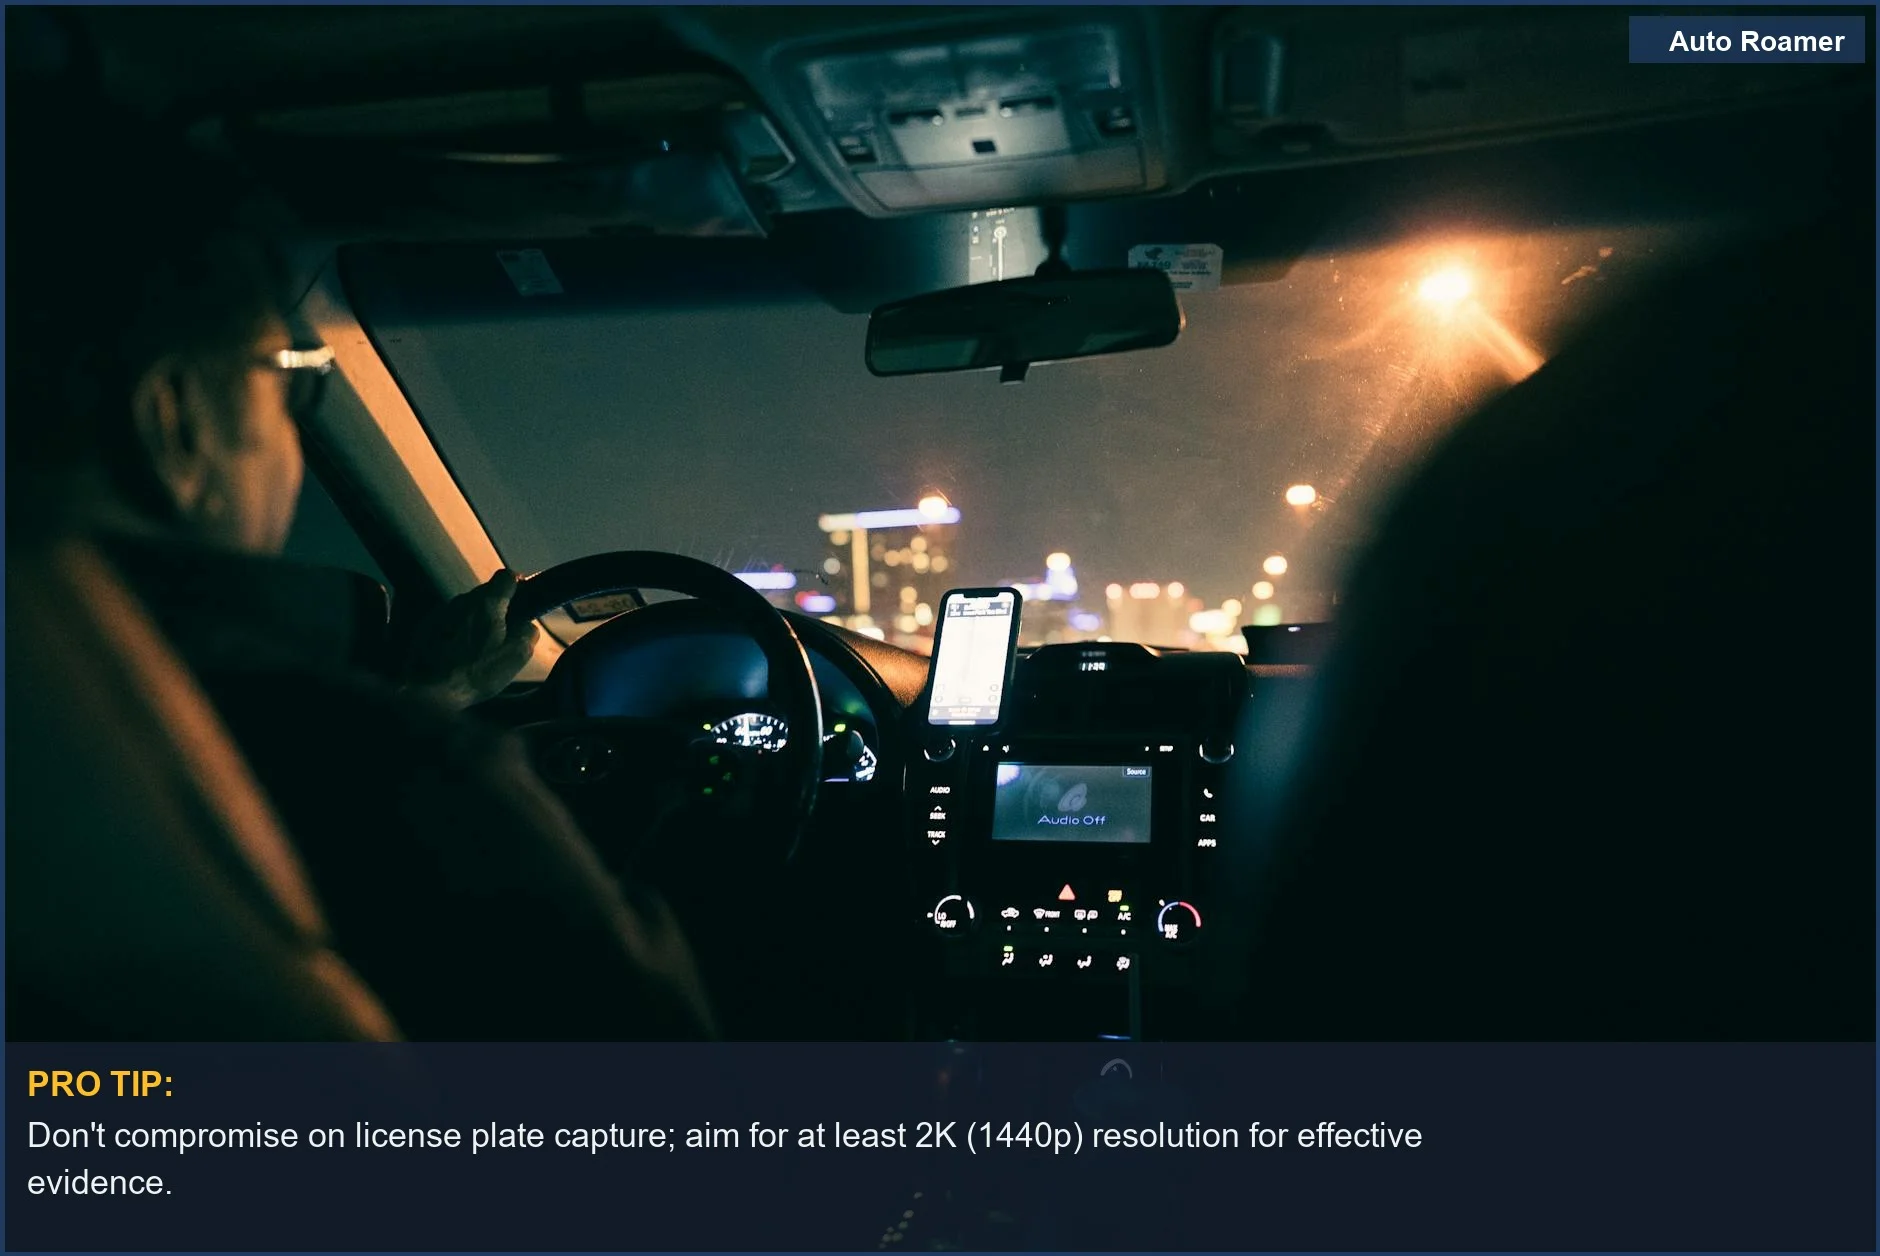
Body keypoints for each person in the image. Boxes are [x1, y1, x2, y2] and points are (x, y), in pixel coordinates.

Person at [7, 83, 713, 1040]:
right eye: (287, 385)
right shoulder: (408, 772)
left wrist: (440, 692)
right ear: (175, 421)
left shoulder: (64, 714)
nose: (294, 442)